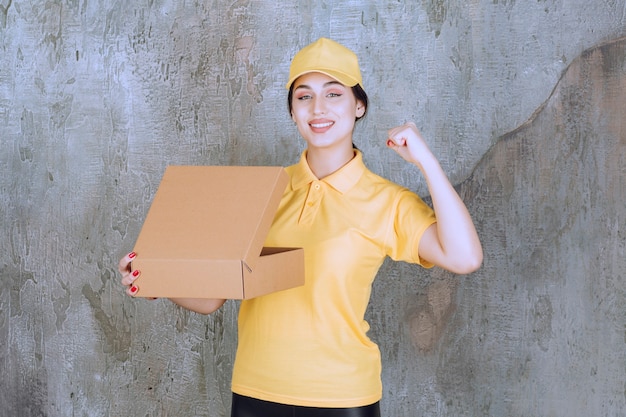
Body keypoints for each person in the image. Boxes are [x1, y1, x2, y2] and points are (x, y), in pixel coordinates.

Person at [119, 37, 483, 417]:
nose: (318, 108)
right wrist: (152, 279)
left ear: (359, 105)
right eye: (304, 96)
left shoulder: (386, 201)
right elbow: (212, 298)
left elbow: (465, 256)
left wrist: (426, 161)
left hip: (343, 399)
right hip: (254, 392)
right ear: (293, 111)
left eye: (334, 93)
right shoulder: (261, 192)